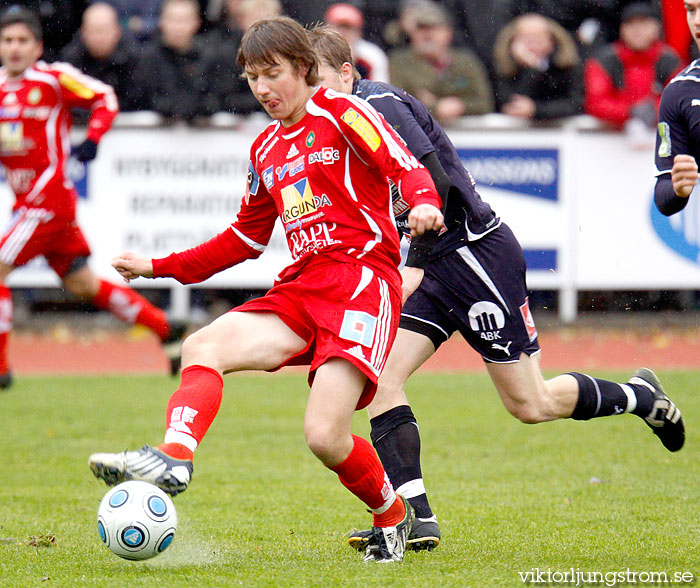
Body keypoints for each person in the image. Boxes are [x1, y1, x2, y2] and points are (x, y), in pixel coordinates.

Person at [308, 24, 686, 554]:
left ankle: (640, 396)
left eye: (317, 81)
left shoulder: (381, 105)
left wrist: (411, 262)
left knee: (531, 404)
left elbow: (432, 178)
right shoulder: (331, 124)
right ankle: (414, 517)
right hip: (433, 263)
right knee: (380, 378)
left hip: (472, 255)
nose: (310, 96)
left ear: (347, 72)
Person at [88, 16, 444, 563]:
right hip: (302, 288)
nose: (262, 88)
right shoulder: (266, 149)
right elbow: (242, 239)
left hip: (360, 285)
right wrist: (157, 266)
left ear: (304, 69)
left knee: (325, 437)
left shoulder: (344, 112)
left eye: (272, 73)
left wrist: (424, 202)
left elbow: (404, 164)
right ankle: (175, 456)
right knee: (202, 344)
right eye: (253, 78)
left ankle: (392, 518)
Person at [0, 6, 185, 389]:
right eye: (7, 40)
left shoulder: (52, 79)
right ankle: (165, 327)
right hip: (29, 205)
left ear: (37, 47)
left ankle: (1, 369)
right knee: (82, 284)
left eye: (22, 41)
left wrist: (94, 139)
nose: (14, 48)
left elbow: (105, 97)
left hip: (47, 201)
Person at [388, 1, 494, 127]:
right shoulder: (399, 62)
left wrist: (460, 106)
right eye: (421, 28)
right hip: (418, 133)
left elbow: (485, 103)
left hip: (466, 134)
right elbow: (395, 105)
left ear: (448, 32)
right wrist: (435, 108)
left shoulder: (466, 62)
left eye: (434, 28)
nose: (428, 34)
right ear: (412, 33)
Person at [584, 3, 682, 132]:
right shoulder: (604, 61)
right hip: (612, 138)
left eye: (643, 23)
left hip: (660, 135)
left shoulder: (670, 60)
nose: (637, 30)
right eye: (630, 24)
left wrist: (654, 110)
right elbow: (595, 102)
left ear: (657, 28)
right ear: (621, 29)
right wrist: (631, 112)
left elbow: (678, 100)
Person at [133, 0, 219, 122]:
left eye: (184, 20)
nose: (178, 27)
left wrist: (190, 109)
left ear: (196, 23)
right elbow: (142, 100)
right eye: (173, 20)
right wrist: (174, 108)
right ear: (161, 22)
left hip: (201, 133)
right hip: (155, 134)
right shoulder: (148, 58)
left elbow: (215, 100)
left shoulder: (209, 57)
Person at [654, 0, 700, 216]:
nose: (697, 21)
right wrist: (678, 187)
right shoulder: (681, 91)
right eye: (691, 10)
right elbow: (663, 193)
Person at [493, 13, 583, 121]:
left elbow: (574, 105)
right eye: (527, 40)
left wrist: (536, 110)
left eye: (538, 39)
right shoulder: (504, 67)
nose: (533, 45)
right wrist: (530, 69)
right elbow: (509, 103)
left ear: (552, 41)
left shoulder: (566, 66)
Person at [60, 3, 144, 113]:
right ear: (83, 33)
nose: (98, 38)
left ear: (117, 31)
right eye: (93, 31)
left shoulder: (134, 58)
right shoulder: (70, 61)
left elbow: (138, 100)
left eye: (102, 31)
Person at [324, 2, 390, 83]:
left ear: (358, 32)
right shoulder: (316, 53)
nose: (342, 33)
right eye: (338, 27)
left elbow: (379, 90)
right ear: (327, 29)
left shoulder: (373, 56)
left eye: (348, 28)